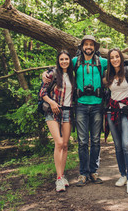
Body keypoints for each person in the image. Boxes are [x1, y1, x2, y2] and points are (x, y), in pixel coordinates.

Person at [43, 35, 107, 186]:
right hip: (80, 106)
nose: (88, 47)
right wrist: (45, 73)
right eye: (86, 44)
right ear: (82, 47)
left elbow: (119, 63)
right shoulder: (75, 62)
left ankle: (94, 171)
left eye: (91, 44)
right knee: (83, 141)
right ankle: (83, 173)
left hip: (98, 104)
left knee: (96, 141)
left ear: (95, 47)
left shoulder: (102, 62)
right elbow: (60, 66)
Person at [39, 50, 75, 192]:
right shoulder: (52, 74)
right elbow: (43, 93)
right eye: (61, 59)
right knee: (58, 143)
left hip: (68, 111)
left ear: (69, 61)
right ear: (58, 61)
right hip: (53, 111)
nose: (64, 61)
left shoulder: (72, 76)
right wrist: (52, 103)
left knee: (65, 145)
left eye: (66, 59)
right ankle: (58, 178)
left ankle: (62, 175)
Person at [103, 48, 128, 194]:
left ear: (121, 58)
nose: (115, 59)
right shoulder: (107, 75)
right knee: (117, 146)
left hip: (126, 112)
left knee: (127, 145)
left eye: (117, 56)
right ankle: (122, 175)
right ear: (109, 60)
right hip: (112, 111)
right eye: (112, 57)